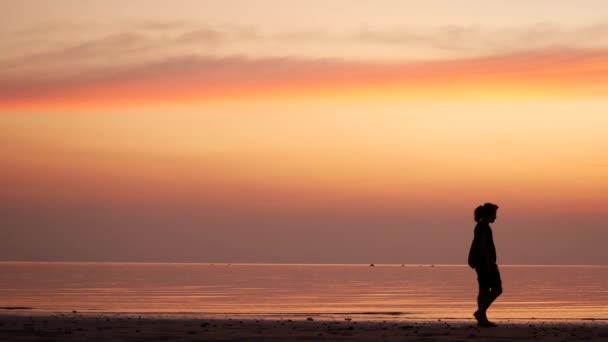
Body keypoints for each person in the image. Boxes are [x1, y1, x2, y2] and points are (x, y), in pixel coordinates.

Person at [467, 203, 502, 327]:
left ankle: (482, 318)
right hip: (485, 263)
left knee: (484, 290)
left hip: (483, 262)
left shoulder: (482, 225)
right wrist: (487, 264)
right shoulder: (483, 226)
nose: (496, 217)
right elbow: (482, 246)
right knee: (497, 289)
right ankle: (480, 313)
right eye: (494, 214)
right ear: (488, 214)